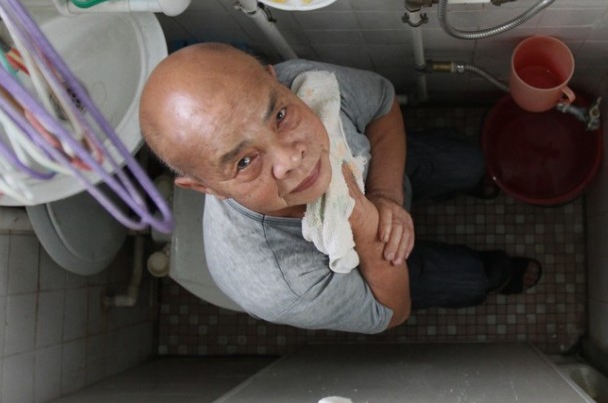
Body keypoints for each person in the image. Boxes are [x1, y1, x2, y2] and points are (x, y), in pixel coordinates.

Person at [139, 43, 541, 334]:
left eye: (279, 115)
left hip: (385, 176)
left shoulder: (308, 86)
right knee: (468, 282)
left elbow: (383, 103)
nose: (292, 159)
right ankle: (496, 275)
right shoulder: (279, 283)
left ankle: (470, 184)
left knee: (468, 161)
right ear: (206, 187)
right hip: (373, 263)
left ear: (273, 78)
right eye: (244, 162)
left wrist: (386, 196)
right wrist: (367, 226)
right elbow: (393, 312)